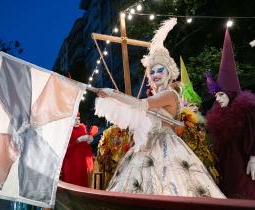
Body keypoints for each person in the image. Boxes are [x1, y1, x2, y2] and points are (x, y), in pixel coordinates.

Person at [95, 18, 224, 198]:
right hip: (146, 146)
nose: (155, 75)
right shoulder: (156, 96)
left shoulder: (170, 95)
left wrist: (112, 94)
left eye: (159, 70)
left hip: (166, 147)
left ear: (169, 72)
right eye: (152, 72)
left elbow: (139, 105)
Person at [206, 28, 255, 199]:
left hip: (243, 164)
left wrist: (254, 157)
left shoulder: (246, 110)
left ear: (230, 92)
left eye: (221, 94)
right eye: (216, 95)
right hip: (224, 166)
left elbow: (253, 134)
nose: (217, 98)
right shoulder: (217, 114)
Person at [176, 57, 219, 183]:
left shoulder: (201, 123)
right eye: (191, 105)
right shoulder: (181, 123)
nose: (194, 108)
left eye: (196, 105)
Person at [60, 113, 98, 187]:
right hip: (71, 163)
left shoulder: (82, 128)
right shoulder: (66, 131)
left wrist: (88, 141)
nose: (77, 121)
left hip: (81, 163)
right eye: (75, 119)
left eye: (78, 119)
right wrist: (77, 141)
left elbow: (85, 147)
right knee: (71, 184)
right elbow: (65, 150)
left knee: (82, 183)